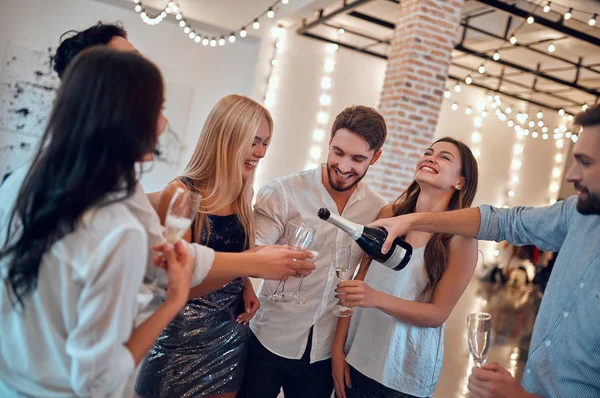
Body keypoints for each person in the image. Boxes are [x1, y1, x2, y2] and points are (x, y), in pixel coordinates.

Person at [51, 22, 313, 292]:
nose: (164, 124)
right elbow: (171, 276)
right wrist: (251, 263)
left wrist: (249, 268)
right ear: (97, 93)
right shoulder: (72, 199)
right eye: (131, 66)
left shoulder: (122, 190)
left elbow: (169, 264)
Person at [0, 48, 193, 397]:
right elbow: (96, 383)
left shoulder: (21, 185)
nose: (163, 123)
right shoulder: (118, 232)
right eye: (159, 108)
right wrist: (174, 301)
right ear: (125, 117)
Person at [372, 104, 600, 398]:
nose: (570, 175)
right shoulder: (577, 214)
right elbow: (503, 221)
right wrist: (413, 219)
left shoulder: (459, 244)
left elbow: (436, 312)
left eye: (585, 162)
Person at [238, 105, 389, 398]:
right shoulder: (283, 192)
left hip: (323, 352)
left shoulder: (377, 210)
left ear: (376, 157)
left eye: (358, 159)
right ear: (329, 142)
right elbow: (250, 258)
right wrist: (278, 260)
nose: (345, 166)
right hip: (269, 338)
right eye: (338, 153)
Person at [135, 95, 272, 397]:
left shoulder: (241, 195)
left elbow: (231, 257)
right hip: (179, 338)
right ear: (227, 138)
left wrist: (245, 282)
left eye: (266, 143)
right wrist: (248, 264)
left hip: (230, 336)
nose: (260, 153)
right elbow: (176, 289)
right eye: (254, 141)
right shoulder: (181, 194)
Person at [332, 137, 479, 398]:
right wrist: (338, 348)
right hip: (357, 353)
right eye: (428, 152)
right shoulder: (389, 215)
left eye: (444, 157)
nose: (430, 157)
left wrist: (376, 298)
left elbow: (437, 314)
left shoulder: (461, 241)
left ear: (460, 182)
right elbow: (357, 284)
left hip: (402, 372)